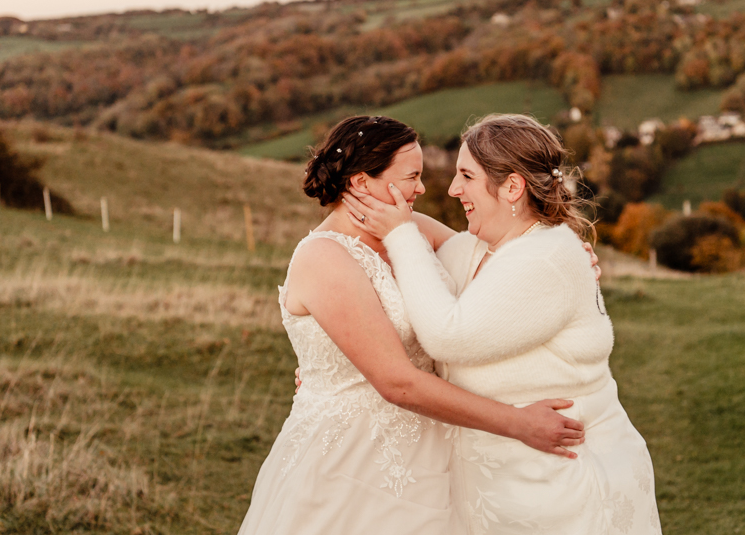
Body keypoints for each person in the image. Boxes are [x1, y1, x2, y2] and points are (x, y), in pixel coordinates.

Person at [236, 116, 586, 535]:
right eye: (412, 176)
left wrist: (565, 262)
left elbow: (499, 261)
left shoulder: (413, 229)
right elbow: (396, 382)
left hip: (438, 451)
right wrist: (519, 423)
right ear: (363, 182)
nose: (421, 188)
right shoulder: (323, 259)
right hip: (354, 463)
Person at [343, 114, 663, 534]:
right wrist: (335, 363)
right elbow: (408, 299)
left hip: (563, 486)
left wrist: (401, 234)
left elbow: (446, 336)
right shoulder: (476, 250)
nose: (454, 189)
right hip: (493, 489)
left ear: (512, 186)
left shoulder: (549, 258)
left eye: (466, 176)